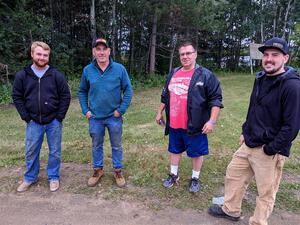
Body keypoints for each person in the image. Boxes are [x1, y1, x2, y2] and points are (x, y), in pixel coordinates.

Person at [208, 37, 300, 225]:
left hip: (269, 149)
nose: (269, 59)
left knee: (265, 192)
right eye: (266, 55)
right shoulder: (261, 78)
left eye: (275, 55)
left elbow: (292, 126)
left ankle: (258, 222)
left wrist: (271, 149)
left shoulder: (292, 86)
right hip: (249, 141)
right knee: (234, 175)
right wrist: (245, 131)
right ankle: (231, 210)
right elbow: (254, 109)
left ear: (286, 58)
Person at [155, 39, 223, 193]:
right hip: (174, 123)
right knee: (174, 150)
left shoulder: (205, 75)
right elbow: (165, 95)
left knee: (197, 152)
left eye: (188, 53)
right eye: (182, 54)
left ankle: (195, 178)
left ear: (195, 54)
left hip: (195, 124)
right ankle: (173, 175)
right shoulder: (173, 73)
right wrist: (159, 111)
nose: (185, 56)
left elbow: (216, 99)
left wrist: (211, 121)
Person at [12, 41, 71, 192]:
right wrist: (26, 117)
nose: (42, 57)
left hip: (53, 121)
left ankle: (53, 177)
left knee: (55, 151)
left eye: (45, 55)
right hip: (33, 122)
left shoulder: (56, 75)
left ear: (48, 57)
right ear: (32, 54)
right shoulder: (23, 75)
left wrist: (59, 117)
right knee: (31, 151)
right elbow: (17, 96)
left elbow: (65, 96)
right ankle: (30, 177)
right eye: (39, 54)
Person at [78, 38, 133, 188]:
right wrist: (86, 110)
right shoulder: (87, 70)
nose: (101, 52)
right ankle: (98, 170)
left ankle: (118, 170)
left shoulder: (119, 69)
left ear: (109, 51)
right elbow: (82, 91)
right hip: (95, 117)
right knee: (96, 145)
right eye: (98, 49)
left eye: (104, 49)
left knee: (116, 145)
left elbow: (128, 89)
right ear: (94, 52)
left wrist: (120, 110)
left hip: (113, 117)